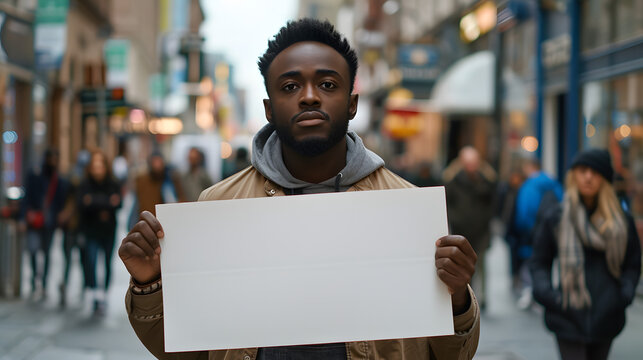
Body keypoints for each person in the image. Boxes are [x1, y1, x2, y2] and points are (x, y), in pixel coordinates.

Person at [119, 19, 480, 360]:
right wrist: (148, 282)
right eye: (290, 87)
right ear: (269, 109)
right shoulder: (218, 206)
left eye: (328, 84)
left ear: (352, 104)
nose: (309, 97)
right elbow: (187, 351)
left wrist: (457, 297)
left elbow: (452, 353)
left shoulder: (406, 210)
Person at [530, 149, 641, 360]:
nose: (588, 177)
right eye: (582, 170)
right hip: (566, 316)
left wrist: (622, 296)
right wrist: (550, 296)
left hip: (606, 318)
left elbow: (632, 264)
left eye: (595, 172)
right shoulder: (557, 217)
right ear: (574, 175)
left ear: (605, 179)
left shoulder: (621, 221)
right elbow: (538, 263)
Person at [443, 146, 496, 310]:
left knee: (482, 264)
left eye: (474, 162)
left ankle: (484, 296)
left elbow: (493, 203)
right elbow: (447, 204)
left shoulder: (486, 179)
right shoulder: (453, 180)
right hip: (461, 229)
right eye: (468, 162)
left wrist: (486, 218)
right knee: (463, 264)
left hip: (481, 230)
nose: (472, 165)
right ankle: (468, 296)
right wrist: (456, 218)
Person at [512, 156, 563, 309]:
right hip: (554, 230)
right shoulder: (553, 184)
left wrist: (525, 229)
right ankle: (548, 289)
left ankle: (531, 292)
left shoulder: (528, 186)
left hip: (533, 231)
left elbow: (524, 211)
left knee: (532, 261)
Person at [77, 150, 122, 316]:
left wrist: (94, 202)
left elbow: (118, 204)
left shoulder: (113, 183)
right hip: (91, 231)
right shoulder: (85, 184)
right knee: (91, 261)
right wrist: (106, 203)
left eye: (100, 165)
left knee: (107, 263)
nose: (97, 169)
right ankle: (95, 293)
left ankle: (104, 293)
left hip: (108, 230)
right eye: (94, 166)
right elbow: (82, 204)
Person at [21, 149, 68, 300]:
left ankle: (44, 284)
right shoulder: (34, 175)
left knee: (46, 253)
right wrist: (26, 215)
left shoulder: (59, 180)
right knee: (33, 250)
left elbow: (61, 201)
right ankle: (35, 280)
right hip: (35, 220)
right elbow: (27, 197)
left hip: (50, 222)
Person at [57, 150, 90, 308]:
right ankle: (75, 287)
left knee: (77, 259)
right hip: (73, 226)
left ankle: (82, 287)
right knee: (73, 259)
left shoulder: (80, 179)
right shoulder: (76, 180)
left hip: (80, 226)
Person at [133, 152, 185, 216]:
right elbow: (137, 204)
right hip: (148, 218)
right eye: (155, 162)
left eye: (159, 162)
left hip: (166, 217)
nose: (157, 166)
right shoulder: (142, 180)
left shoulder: (170, 180)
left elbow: (178, 199)